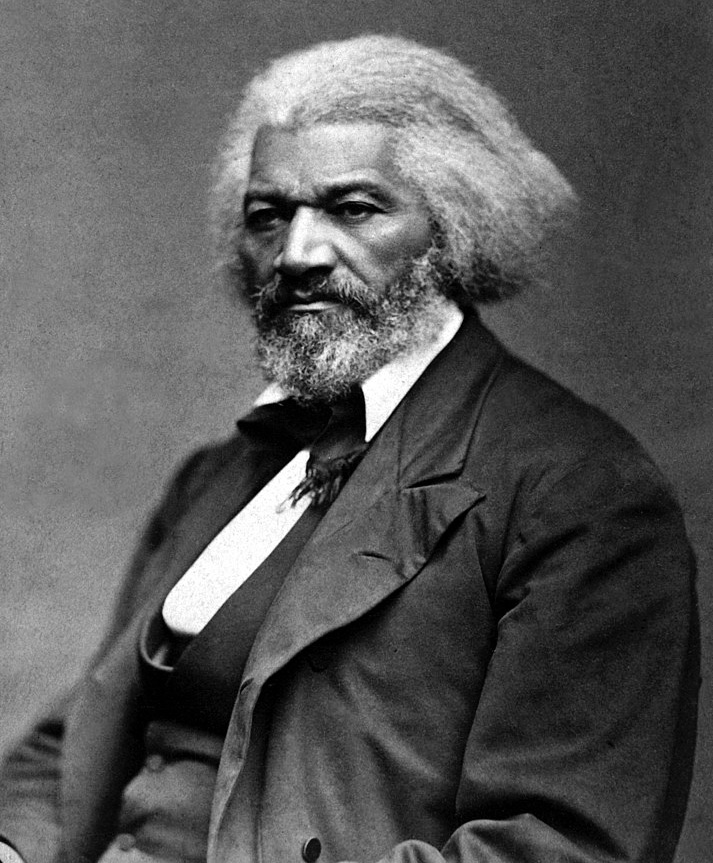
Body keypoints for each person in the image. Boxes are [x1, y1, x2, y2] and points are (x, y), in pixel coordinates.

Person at [0, 34, 698, 863]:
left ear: (451, 228)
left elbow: (554, 846)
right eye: (269, 216)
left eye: (353, 208)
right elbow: (78, 737)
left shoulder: (575, 489)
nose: (297, 254)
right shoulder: (219, 475)